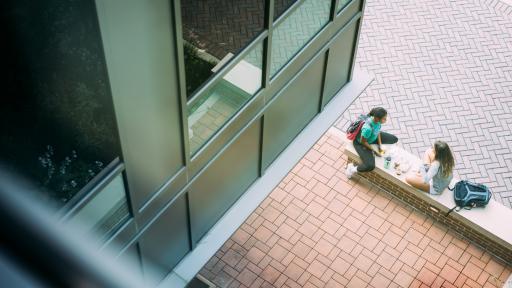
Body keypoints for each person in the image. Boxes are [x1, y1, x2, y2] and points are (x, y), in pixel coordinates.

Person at [345, 107, 398, 178]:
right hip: (361, 143)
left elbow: (378, 132)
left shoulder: (377, 122)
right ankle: (351, 169)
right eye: (384, 118)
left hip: (372, 136)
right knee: (370, 166)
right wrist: (374, 151)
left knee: (394, 139)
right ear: (377, 118)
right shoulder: (367, 128)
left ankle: (377, 145)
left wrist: (379, 146)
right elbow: (363, 141)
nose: (386, 120)